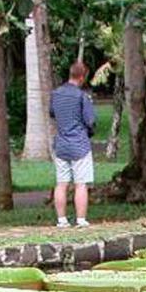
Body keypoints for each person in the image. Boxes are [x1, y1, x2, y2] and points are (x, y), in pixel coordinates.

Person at [50, 60, 97, 228]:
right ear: (82, 77)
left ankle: (61, 220)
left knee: (61, 183)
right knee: (80, 184)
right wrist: (89, 132)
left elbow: (52, 113)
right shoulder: (81, 96)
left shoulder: (56, 94)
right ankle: (81, 219)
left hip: (61, 144)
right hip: (79, 144)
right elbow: (90, 120)